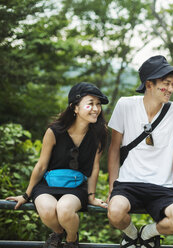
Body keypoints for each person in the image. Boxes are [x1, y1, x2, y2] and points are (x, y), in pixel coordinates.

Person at [6, 82, 109, 248]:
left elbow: (94, 168)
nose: (96, 109)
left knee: (65, 210)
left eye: (98, 105)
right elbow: (41, 166)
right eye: (90, 104)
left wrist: (91, 196)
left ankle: (71, 240)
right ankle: (59, 233)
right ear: (74, 108)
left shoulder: (98, 134)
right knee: (47, 211)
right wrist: (26, 195)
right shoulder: (54, 131)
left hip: (76, 187)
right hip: (47, 184)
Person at [107, 55, 173, 248]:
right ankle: (130, 235)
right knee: (115, 212)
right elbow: (113, 150)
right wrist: (112, 187)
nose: (170, 89)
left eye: (172, 84)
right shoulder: (125, 105)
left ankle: (147, 233)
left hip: (164, 186)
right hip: (128, 183)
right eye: (166, 84)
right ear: (149, 84)